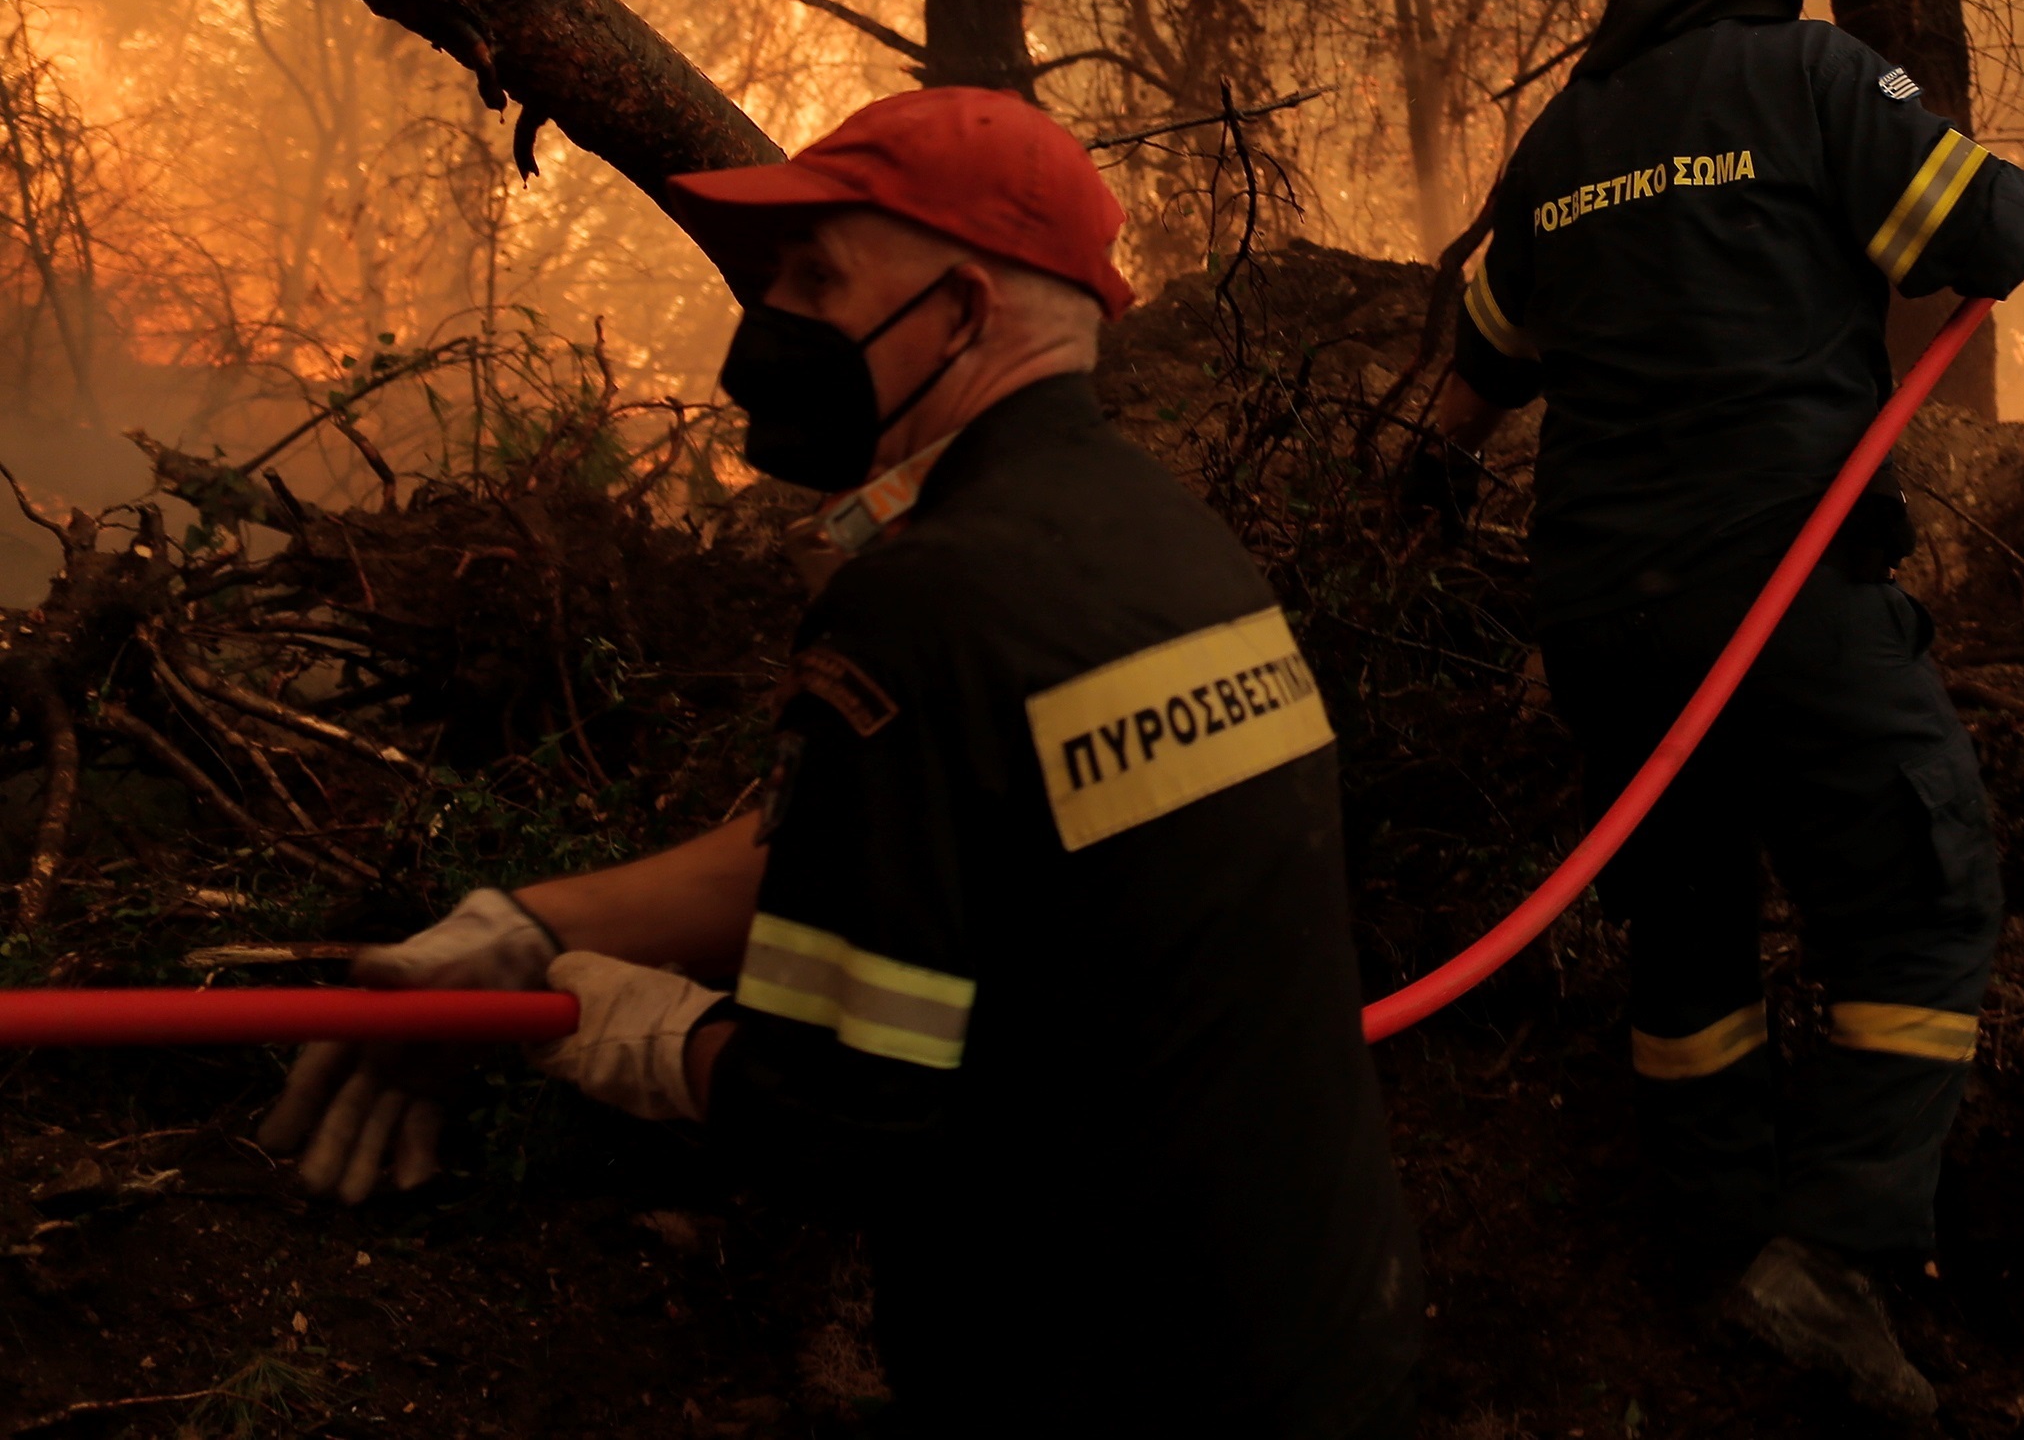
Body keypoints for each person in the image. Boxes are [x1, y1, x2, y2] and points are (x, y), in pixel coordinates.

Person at [260, 86, 1423, 1438]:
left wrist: (616, 1029)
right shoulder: (1161, 541)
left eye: (819, 275)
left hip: (1120, 1380)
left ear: (966, 313)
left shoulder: (931, 603)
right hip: (1321, 1327)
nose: (773, 322)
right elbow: (863, 844)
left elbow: (843, 1115)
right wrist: (524, 928)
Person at [1415, 0, 2024, 1422]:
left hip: (1602, 612)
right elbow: (1987, 236)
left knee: (1684, 920)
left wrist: (1409, 479)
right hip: (1780, 587)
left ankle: (1712, 1248)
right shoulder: (1821, 83)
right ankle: (1829, 1260)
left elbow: (1476, 367)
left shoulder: (1563, 138)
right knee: (1920, 893)